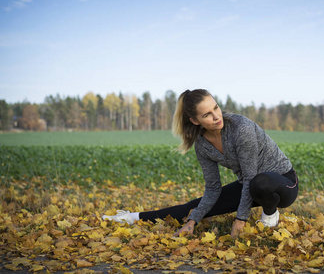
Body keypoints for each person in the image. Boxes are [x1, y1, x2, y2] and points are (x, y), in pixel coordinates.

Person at [103, 89, 298, 237]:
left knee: (260, 182)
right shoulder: (202, 145)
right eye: (207, 115)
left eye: (216, 107)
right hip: (249, 186)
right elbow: (213, 188)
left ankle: (270, 216)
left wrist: (240, 219)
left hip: (282, 184)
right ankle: (130, 217)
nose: (216, 116)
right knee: (190, 209)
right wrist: (193, 220)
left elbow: (250, 177)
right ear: (195, 121)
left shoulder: (241, 129)